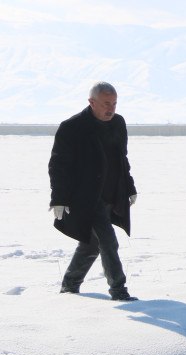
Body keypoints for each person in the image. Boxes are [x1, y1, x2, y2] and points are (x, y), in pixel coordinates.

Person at [49, 81, 139, 301]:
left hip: (111, 193)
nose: (111, 108)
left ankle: (70, 285)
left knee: (91, 244)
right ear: (91, 102)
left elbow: (121, 159)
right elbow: (58, 165)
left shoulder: (118, 123)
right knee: (108, 241)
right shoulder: (72, 127)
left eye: (115, 103)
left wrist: (129, 186)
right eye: (106, 103)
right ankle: (119, 291)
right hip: (86, 197)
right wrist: (58, 198)